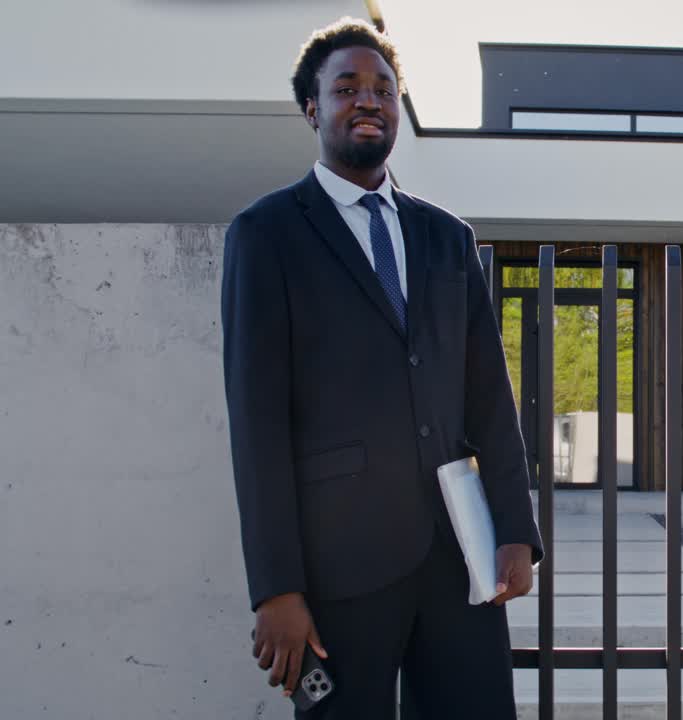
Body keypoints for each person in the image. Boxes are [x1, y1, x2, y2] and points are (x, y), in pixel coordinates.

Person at [220, 17, 542, 719]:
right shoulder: (266, 235)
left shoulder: (447, 237)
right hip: (337, 566)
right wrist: (276, 588)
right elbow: (257, 423)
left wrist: (516, 529)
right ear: (313, 108)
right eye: (347, 88)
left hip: (459, 556)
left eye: (384, 88)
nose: (368, 100)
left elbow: (489, 396)